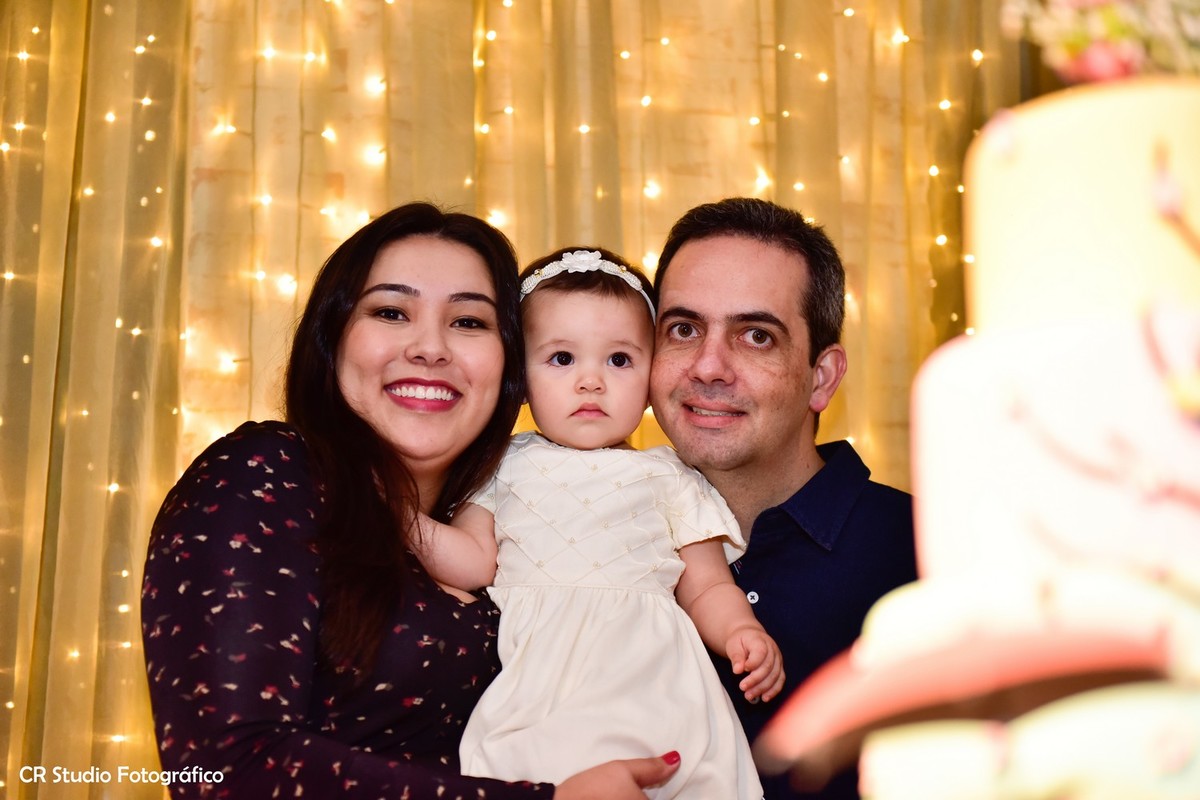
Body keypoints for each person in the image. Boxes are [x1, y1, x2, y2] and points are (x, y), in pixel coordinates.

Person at [140, 202, 682, 799]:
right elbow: (224, 768)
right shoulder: (270, 472)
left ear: (510, 367)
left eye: (468, 321)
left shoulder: (525, 524)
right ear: (332, 339)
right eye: (391, 312)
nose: (430, 348)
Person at [418, 247, 783, 798]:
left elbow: (707, 584)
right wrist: (402, 522)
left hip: (651, 681)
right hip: (539, 685)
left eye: (619, 360)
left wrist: (740, 632)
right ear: (521, 377)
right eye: (562, 358)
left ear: (651, 376)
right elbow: (472, 561)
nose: (591, 381)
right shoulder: (501, 465)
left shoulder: (670, 475)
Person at [648, 197, 918, 800]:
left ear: (822, 377)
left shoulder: (923, 551)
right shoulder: (589, 534)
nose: (708, 367)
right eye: (683, 329)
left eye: (756, 336)